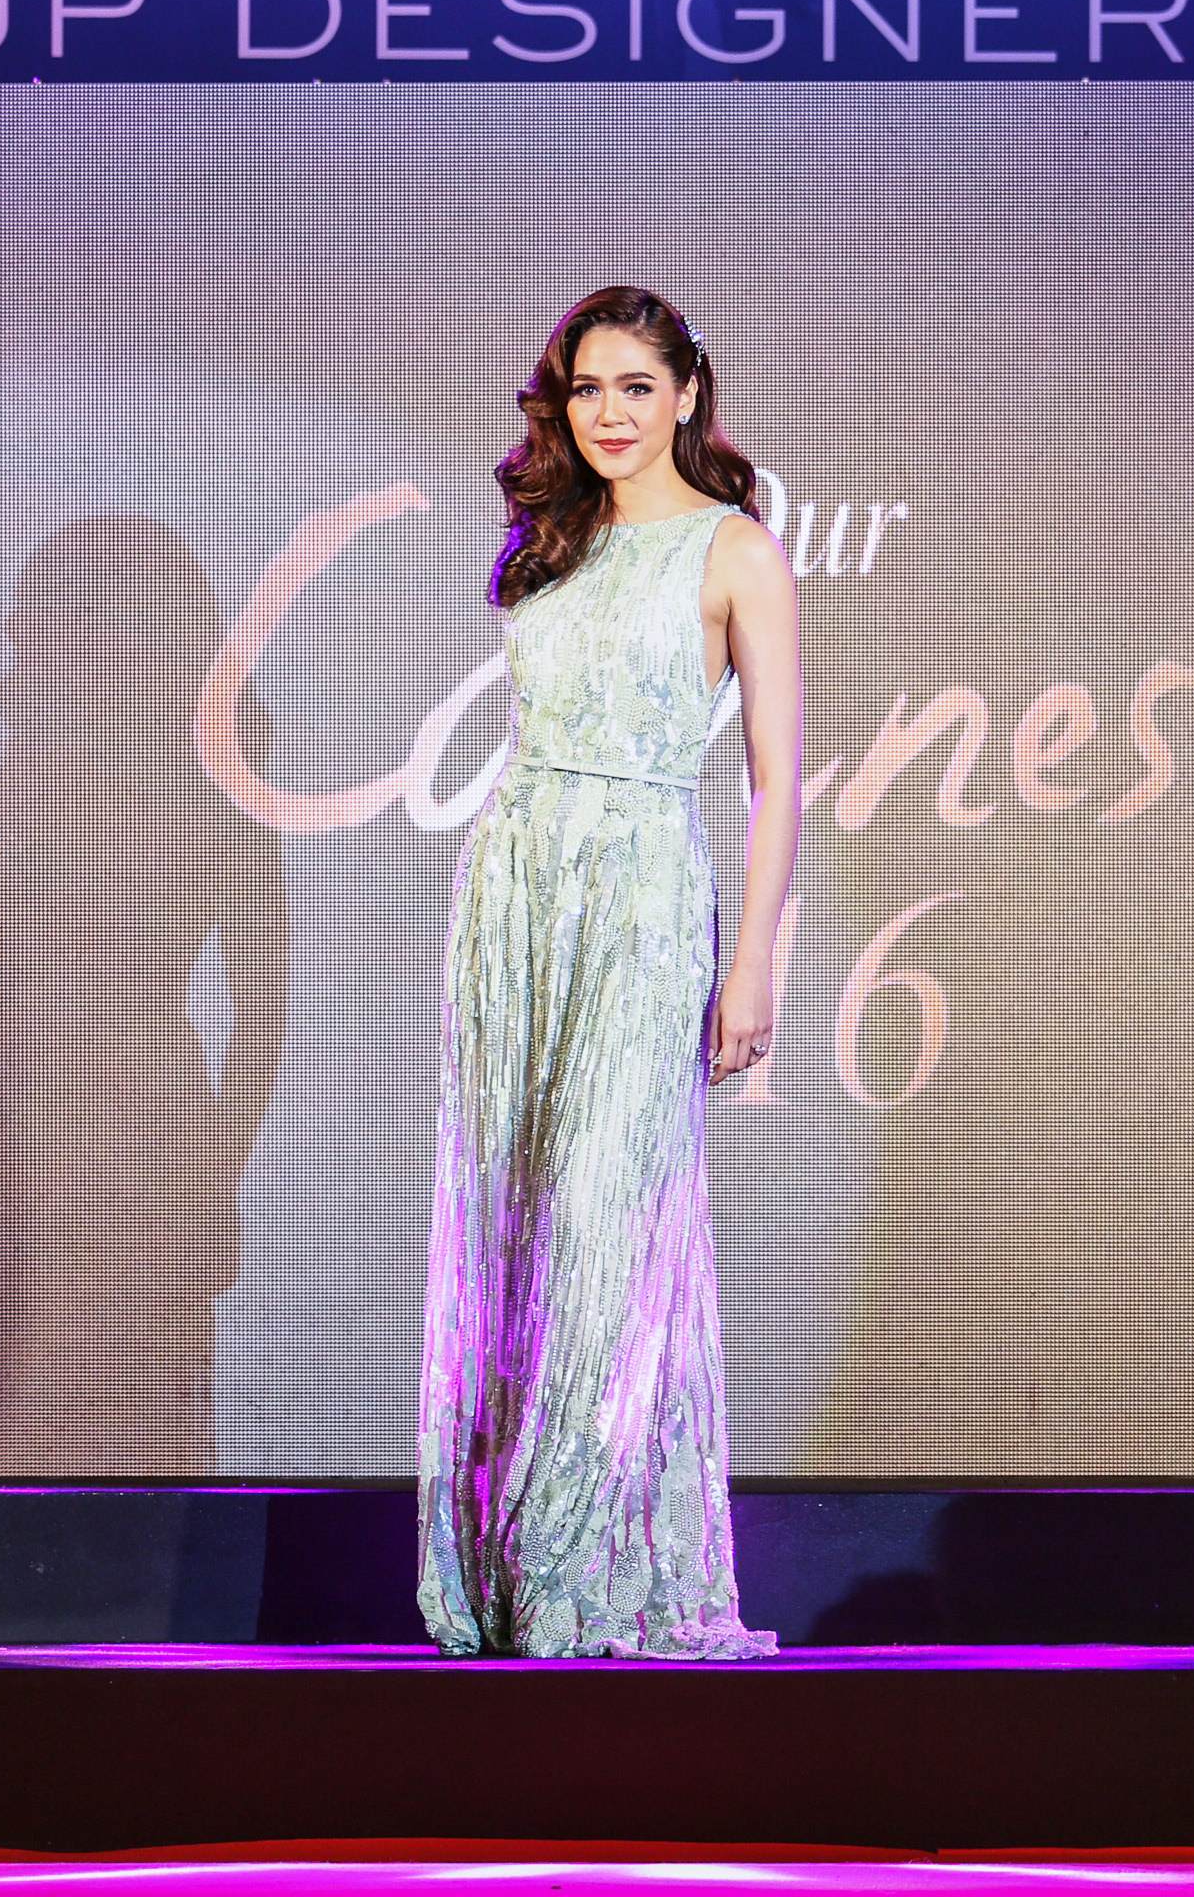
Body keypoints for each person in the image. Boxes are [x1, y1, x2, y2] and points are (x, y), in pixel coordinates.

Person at [417, 286, 797, 1661]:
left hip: (641, 897)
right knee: (513, 1230)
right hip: (516, 895)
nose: (612, 414)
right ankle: (508, 1576)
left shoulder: (735, 549)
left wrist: (752, 966)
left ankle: (582, 1574)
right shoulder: (551, 540)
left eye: (638, 386)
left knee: (604, 1228)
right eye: (588, 389)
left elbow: (775, 780)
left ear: (689, 392)